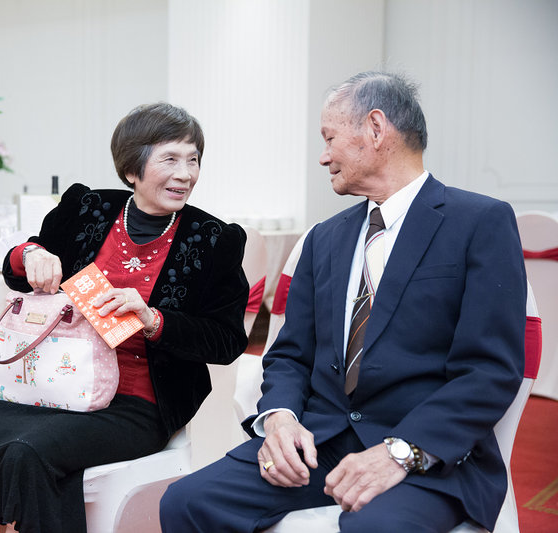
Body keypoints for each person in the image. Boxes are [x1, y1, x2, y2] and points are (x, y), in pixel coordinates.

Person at [160, 71, 527, 532]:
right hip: (321, 441)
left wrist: (400, 452)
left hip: (427, 453)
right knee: (187, 502)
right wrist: (280, 418)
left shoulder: (479, 222)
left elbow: (489, 371)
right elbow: (291, 354)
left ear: (375, 128)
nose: (323, 156)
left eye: (329, 138)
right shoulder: (325, 238)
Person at [0, 102, 249, 532]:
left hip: (137, 402)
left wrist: (153, 320)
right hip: (51, 384)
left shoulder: (214, 239)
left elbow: (226, 340)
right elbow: (17, 266)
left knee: (26, 454)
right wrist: (31, 256)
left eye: (193, 160)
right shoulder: (88, 208)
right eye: (170, 160)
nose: (185, 174)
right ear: (132, 169)